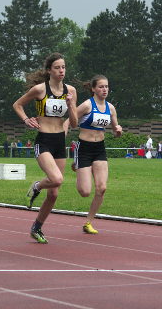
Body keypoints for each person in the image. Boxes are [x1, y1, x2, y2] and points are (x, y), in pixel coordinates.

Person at [12, 52, 77, 244]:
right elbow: (17, 105)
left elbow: (73, 123)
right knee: (56, 179)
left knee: (55, 191)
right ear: (49, 70)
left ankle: (37, 227)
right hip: (44, 141)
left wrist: (71, 105)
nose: (61, 70)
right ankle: (36, 186)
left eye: (63, 67)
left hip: (59, 142)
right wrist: (26, 119)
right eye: (57, 67)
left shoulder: (70, 90)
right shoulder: (40, 89)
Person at [72, 75, 122, 234]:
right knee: (85, 191)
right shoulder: (87, 105)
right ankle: (77, 164)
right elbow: (70, 119)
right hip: (84, 148)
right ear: (93, 89)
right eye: (101, 87)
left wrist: (118, 131)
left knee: (102, 188)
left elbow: (115, 129)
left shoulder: (111, 108)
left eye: (106, 86)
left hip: (99, 148)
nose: (104, 89)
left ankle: (88, 222)